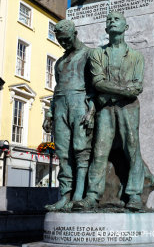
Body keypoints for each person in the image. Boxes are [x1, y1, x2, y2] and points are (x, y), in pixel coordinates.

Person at [74, 11, 153, 211]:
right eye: (108, 19)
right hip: (106, 109)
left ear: (126, 27)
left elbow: (137, 87)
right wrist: (122, 91)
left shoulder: (136, 56)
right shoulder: (97, 54)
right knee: (100, 151)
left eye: (116, 19)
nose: (111, 21)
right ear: (106, 28)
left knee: (132, 149)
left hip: (129, 108)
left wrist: (112, 93)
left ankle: (134, 194)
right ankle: (92, 195)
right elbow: (97, 82)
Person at [43, 20, 94, 210]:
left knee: (81, 150)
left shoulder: (89, 54)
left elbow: (94, 86)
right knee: (63, 153)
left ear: (75, 33)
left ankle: (79, 194)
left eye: (66, 40)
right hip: (61, 105)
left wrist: (91, 111)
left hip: (80, 102)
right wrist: (49, 113)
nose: (63, 44)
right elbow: (56, 89)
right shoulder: (60, 62)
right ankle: (65, 196)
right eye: (60, 41)